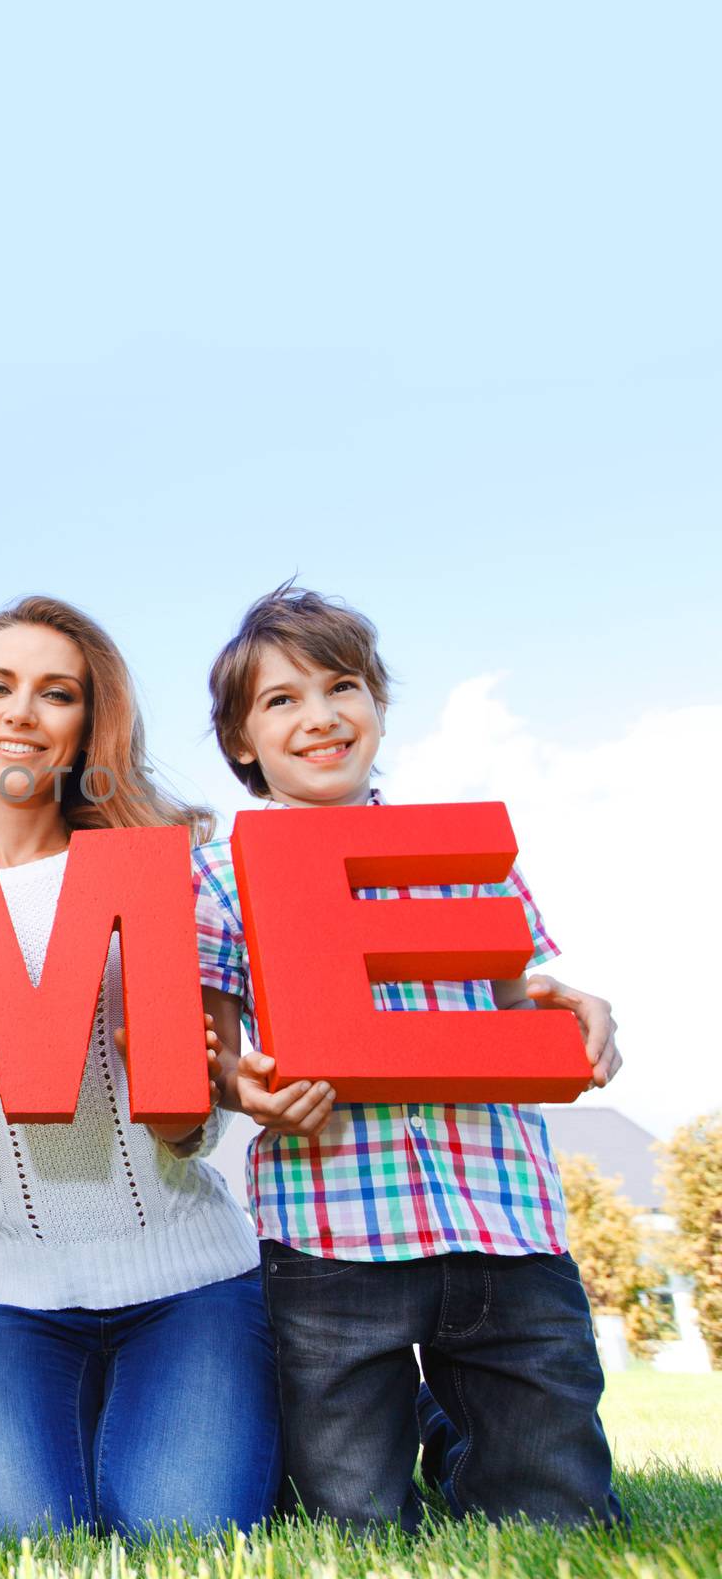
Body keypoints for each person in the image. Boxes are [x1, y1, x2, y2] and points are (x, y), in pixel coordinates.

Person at [193, 581, 624, 1532]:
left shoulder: (471, 857)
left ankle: (464, 1431)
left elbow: (527, 991)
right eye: (281, 700)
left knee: (558, 1514)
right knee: (350, 1516)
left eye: (342, 687)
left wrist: (578, 1011)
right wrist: (245, 1085)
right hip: (336, 1228)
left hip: (502, 1214)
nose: (320, 717)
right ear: (240, 741)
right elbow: (217, 1046)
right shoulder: (218, 874)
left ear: (378, 705)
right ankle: (422, 1421)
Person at [0, 596, 279, 1540]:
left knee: (186, 1532)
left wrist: (185, 1097)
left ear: (88, 727)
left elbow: (196, 1122)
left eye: (57, 694)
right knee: (17, 1537)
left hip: (188, 1284)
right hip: (3, 1291)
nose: (21, 711)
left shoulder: (157, 872)